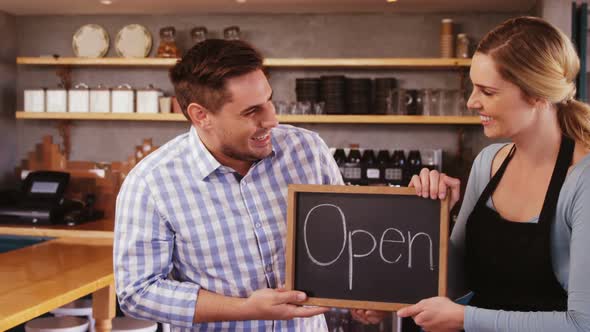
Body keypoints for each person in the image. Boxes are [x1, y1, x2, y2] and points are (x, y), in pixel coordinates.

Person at [114, 39, 352, 330]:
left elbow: (346, 244)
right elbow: (137, 292)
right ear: (201, 116)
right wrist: (244, 309)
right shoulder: (150, 184)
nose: (272, 120)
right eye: (252, 112)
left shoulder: (308, 151)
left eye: (269, 101)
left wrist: (362, 303)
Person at [398, 16, 590, 331]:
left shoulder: (583, 180)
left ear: (537, 95)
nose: (472, 102)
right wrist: (434, 218)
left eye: (487, 91)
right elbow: (455, 282)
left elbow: (582, 323)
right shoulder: (488, 164)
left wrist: (465, 318)